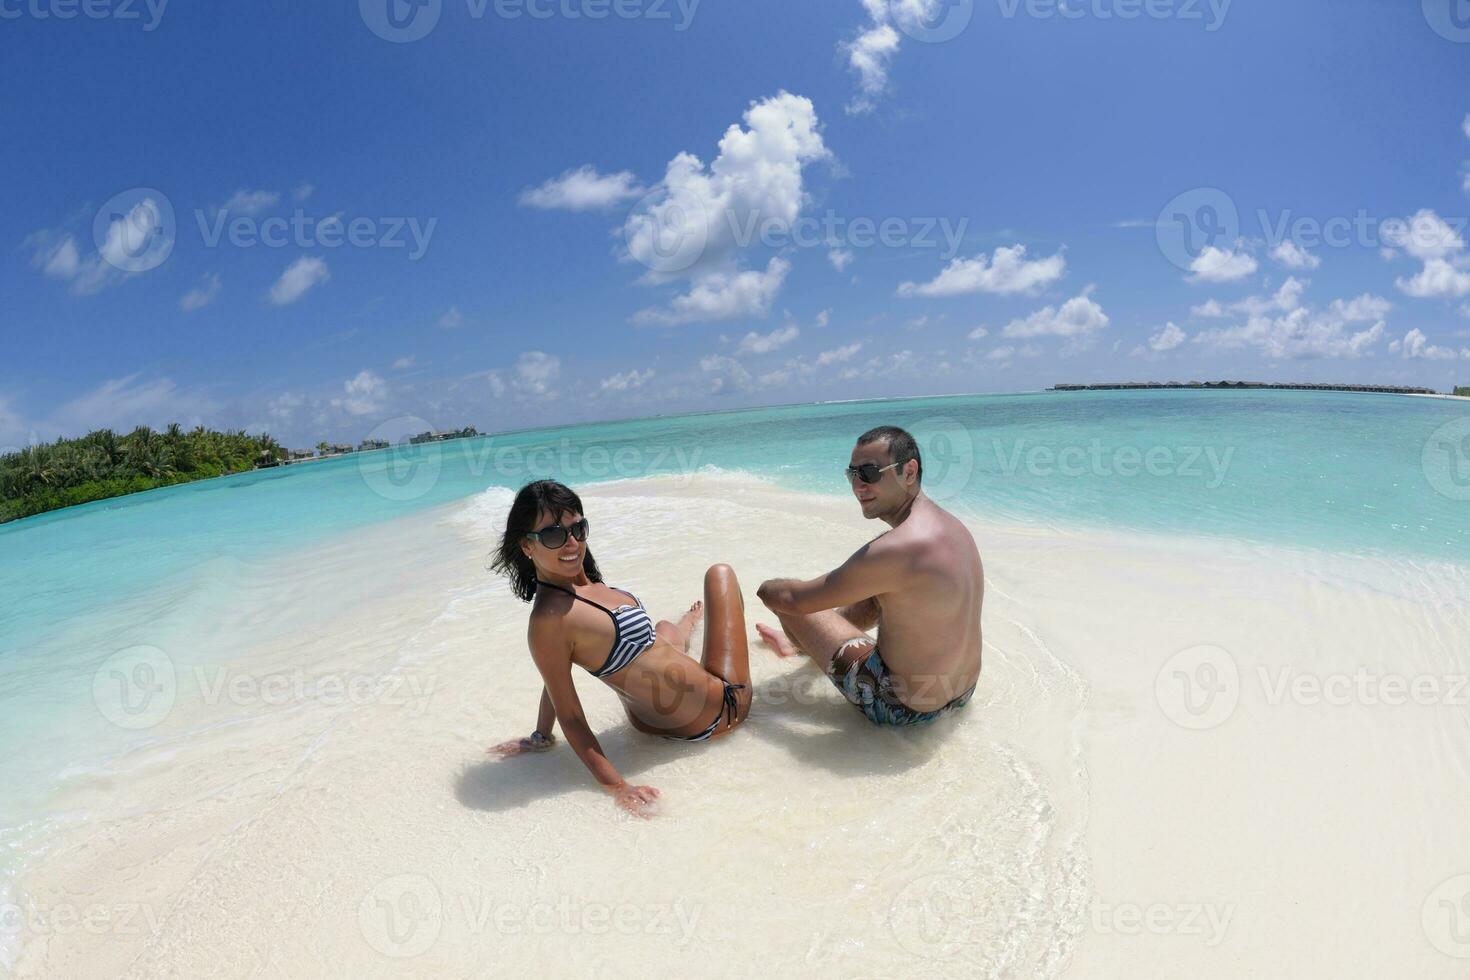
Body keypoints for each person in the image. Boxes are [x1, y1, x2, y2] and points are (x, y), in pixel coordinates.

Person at [488, 479, 752, 817]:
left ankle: (687, 623)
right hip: (720, 713)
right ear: (527, 545)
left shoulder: (585, 586)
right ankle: (786, 639)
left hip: (650, 721)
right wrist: (617, 787)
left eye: (578, 529)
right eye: (554, 535)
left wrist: (541, 735)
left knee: (662, 632)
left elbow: (553, 675)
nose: (571, 542)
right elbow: (570, 714)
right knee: (721, 575)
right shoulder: (550, 617)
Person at [755, 425, 983, 726]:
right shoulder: (954, 528)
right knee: (883, 589)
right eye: (852, 474)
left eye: (870, 472)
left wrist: (766, 589)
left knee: (787, 600)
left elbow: (794, 600)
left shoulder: (895, 549)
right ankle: (800, 644)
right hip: (963, 692)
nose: (858, 485)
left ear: (909, 471)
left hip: (902, 708)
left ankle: (795, 643)